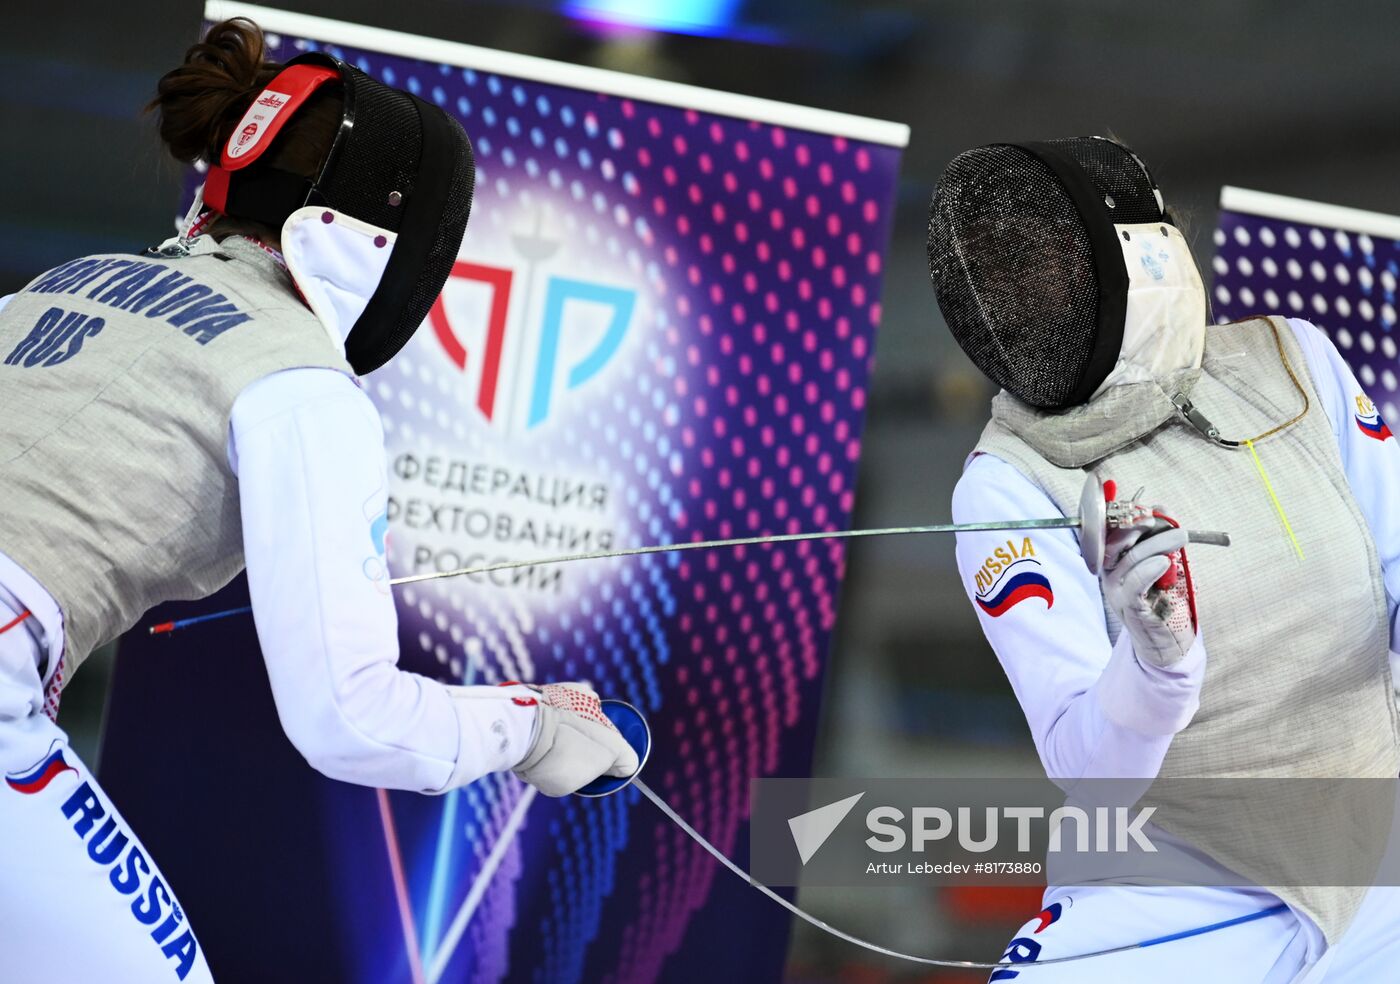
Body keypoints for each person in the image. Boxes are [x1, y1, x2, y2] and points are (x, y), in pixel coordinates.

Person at [0, 19, 637, 983]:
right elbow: (352, 714)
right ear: (384, 238)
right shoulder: (297, 381)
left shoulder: (62, 285)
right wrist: (538, 726)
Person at [928, 136, 1400, 982]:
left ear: (1138, 260)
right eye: (995, 279)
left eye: (1039, 267)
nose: (1013, 299)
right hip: (1180, 874)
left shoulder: (1291, 360)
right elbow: (1087, 765)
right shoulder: (1006, 485)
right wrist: (1160, 663)